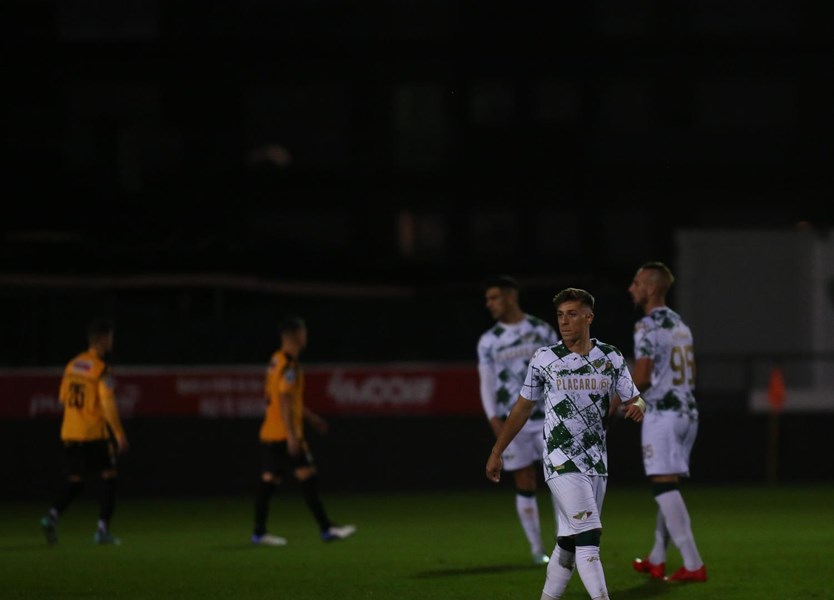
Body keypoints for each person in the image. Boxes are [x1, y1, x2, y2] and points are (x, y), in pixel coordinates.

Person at [486, 287, 646, 600]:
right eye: (560, 315)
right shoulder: (546, 358)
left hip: (597, 462)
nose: (564, 321)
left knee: (569, 544)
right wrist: (497, 450)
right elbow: (521, 407)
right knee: (589, 536)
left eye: (572, 314)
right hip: (561, 460)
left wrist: (637, 408)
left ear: (589, 317)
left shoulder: (610, 356)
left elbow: (636, 398)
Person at [628, 261, 707, 583]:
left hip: (663, 414)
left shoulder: (646, 325)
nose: (631, 288)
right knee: (668, 483)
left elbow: (644, 376)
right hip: (688, 411)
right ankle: (657, 558)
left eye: (636, 283)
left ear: (652, 287)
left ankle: (692, 563)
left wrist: (618, 400)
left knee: (662, 486)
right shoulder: (680, 324)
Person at [477, 275, 560, 565]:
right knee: (525, 479)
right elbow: (486, 384)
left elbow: (560, 369)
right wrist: (493, 420)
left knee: (559, 479)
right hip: (514, 422)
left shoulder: (541, 330)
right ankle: (538, 549)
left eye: (494, 298)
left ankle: (566, 543)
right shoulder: (489, 341)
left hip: (546, 415)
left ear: (511, 297)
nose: (489, 304)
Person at [252, 315, 356, 545]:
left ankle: (259, 532)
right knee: (308, 478)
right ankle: (327, 529)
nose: (305, 336)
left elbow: (287, 399)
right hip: (284, 434)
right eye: (304, 332)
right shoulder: (290, 365)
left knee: (269, 480)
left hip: (269, 432)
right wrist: (292, 435)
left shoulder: (275, 360)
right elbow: (285, 398)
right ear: (297, 335)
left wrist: (310, 418)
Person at [40, 317, 129, 545]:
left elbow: (62, 398)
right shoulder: (100, 370)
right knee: (109, 478)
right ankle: (102, 530)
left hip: (70, 433)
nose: (112, 342)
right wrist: (119, 434)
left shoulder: (71, 365)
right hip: (93, 434)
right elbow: (108, 405)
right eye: (110, 338)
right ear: (103, 339)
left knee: (75, 481)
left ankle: (51, 517)